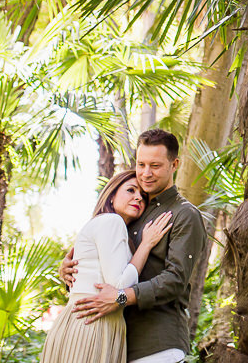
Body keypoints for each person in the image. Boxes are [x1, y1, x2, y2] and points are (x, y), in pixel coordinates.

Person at [64, 129, 208, 363]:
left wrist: (121, 297)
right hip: (113, 344)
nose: (146, 173)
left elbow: (175, 281)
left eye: (155, 165)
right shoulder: (131, 211)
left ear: (175, 165)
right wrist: (68, 269)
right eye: (141, 164)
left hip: (157, 346)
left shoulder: (184, 214)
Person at [41, 171, 173, 363]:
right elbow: (118, 284)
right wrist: (146, 245)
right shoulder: (112, 221)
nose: (138, 197)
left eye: (143, 196)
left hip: (91, 321)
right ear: (111, 196)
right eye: (130, 190)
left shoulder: (111, 228)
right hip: (91, 324)